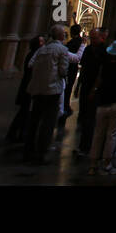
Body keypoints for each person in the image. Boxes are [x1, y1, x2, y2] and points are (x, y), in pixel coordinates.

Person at [24, 25, 72, 165]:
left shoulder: (41, 49)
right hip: (52, 90)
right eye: (64, 33)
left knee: (34, 120)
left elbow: (31, 65)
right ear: (61, 36)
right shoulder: (62, 50)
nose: (65, 35)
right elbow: (63, 71)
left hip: (37, 88)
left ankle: (28, 150)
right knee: (48, 122)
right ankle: (42, 152)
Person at [88, 38, 116, 175]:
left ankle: (93, 164)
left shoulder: (105, 65)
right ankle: (107, 163)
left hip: (102, 102)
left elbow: (99, 80)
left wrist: (92, 92)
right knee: (112, 134)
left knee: (98, 133)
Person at [7, 35, 44, 143]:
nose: (43, 43)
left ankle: (17, 133)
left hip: (29, 86)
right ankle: (19, 134)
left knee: (25, 111)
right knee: (25, 111)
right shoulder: (34, 55)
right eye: (41, 41)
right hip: (29, 86)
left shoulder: (33, 54)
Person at [77, 27, 108, 154]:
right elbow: (83, 66)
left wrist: (95, 88)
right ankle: (85, 145)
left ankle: (91, 146)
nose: (92, 40)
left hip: (96, 89)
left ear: (102, 37)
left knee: (92, 118)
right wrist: (78, 85)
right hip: (86, 86)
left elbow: (103, 72)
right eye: (91, 38)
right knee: (86, 116)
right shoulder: (89, 49)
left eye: (94, 37)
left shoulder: (105, 51)